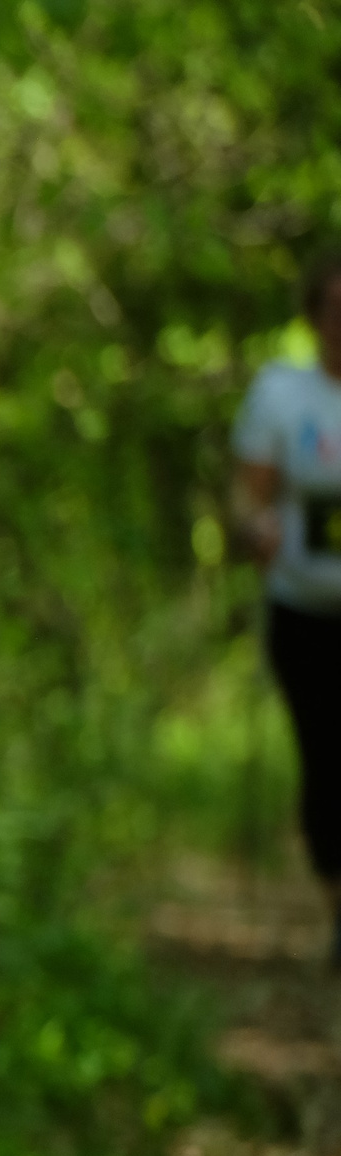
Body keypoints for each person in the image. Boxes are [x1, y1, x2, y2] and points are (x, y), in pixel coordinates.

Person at [235, 251, 341, 966]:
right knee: (327, 761)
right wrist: (253, 529)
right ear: (314, 317)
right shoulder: (281, 395)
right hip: (305, 611)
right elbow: (249, 496)